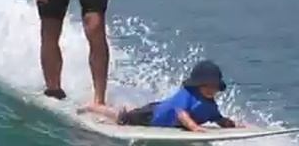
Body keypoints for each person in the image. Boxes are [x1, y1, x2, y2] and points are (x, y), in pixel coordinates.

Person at [79, 60, 241, 132]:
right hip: (151, 116)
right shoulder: (188, 95)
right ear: (198, 84)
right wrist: (194, 128)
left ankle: (105, 111)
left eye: (214, 87)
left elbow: (220, 120)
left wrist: (236, 125)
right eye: (207, 86)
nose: (211, 90)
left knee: (126, 115)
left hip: (159, 115)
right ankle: (94, 108)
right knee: (122, 118)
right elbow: (181, 114)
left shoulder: (210, 105)